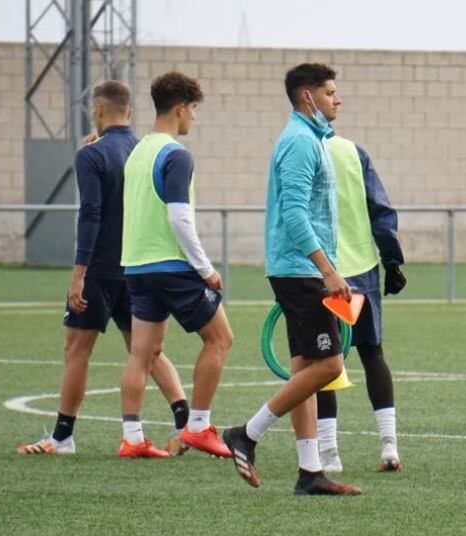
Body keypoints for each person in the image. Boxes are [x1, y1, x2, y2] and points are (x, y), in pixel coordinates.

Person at [17, 80, 190, 457]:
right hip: (137, 267)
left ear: (97, 110)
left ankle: (62, 437)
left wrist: (78, 273)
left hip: (99, 270)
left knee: (77, 350)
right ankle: (185, 421)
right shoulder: (143, 150)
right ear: (129, 111)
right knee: (145, 350)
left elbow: (90, 214)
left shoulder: (92, 155)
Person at [221, 63, 361, 495]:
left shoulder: (312, 140)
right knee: (329, 365)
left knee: (303, 367)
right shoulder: (300, 142)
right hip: (301, 271)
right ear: (307, 97)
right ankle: (247, 432)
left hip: (300, 268)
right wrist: (328, 270)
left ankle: (310, 472)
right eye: (330, 92)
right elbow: (296, 215)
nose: (337, 99)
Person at [118, 71, 234, 460]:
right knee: (220, 339)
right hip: (171, 264)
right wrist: (205, 269)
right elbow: (179, 218)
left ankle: (132, 438)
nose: (195, 118)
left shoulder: (137, 153)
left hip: (135, 266)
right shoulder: (176, 155)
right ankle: (198, 427)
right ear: (181, 108)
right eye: (194, 110)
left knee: (142, 353)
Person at [315, 130, 407, 473]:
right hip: (363, 272)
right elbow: (381, 211)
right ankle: (389, 447)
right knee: (373, 354)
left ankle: (329, 452)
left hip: (324, 273)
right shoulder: (354, 152)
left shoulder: (298, 150)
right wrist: (393, 260)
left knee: (323, 360)